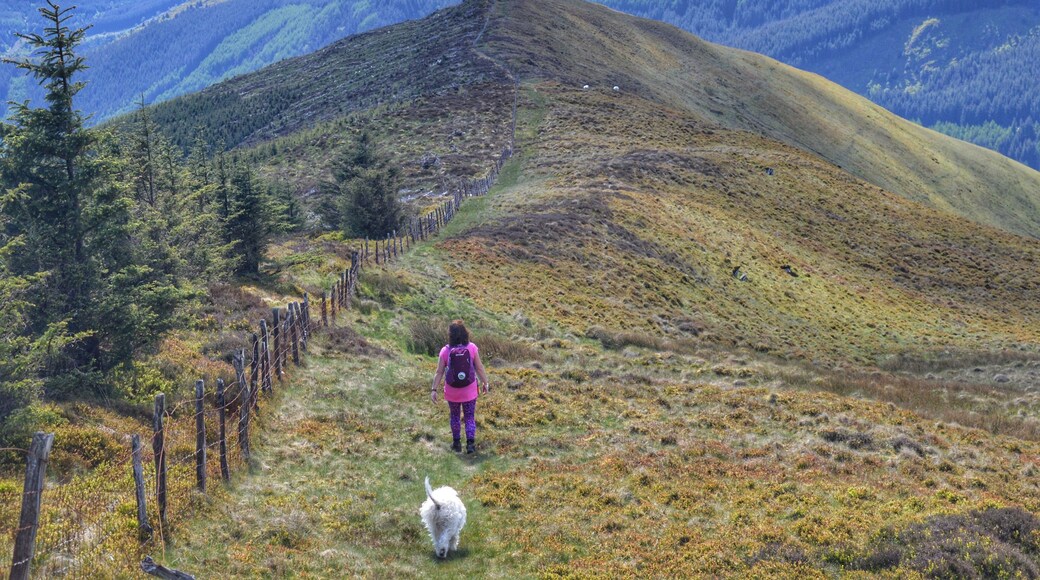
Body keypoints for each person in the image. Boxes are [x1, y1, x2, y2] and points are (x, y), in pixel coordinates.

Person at [431, 319, 489, 454]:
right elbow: (479, 368)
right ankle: (470, 445)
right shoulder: (472, 348)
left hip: (452, 392)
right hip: (470, 390)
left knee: (455, 416)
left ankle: (456, 444)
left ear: (450, 335)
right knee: (469, 416)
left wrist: (434, 389)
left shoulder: (445, 351)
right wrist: (485, 382)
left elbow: (439, 372)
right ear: (465, 333)